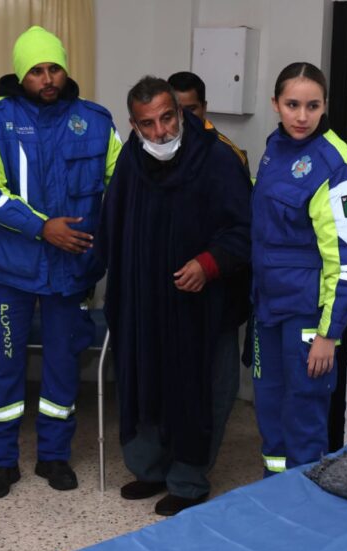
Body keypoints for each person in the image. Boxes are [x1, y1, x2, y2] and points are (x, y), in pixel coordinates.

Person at [0, 26, 122, 498]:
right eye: (36, 71)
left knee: (62, 366)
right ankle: (0, 462)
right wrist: (41, 226)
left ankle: (54, 456)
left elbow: (121, 185)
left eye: (54, 68)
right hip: (10, 270)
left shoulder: (96, 121)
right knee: (3, 365)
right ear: (20, 75)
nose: (48, 78)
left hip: (71, 270)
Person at [101, 76, 251, 515]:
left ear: (181, 113)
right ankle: (149, 469)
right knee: (143, 381)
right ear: (133, 125)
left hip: (200, 306)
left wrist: (209, 263)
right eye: (148, 124)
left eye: (168, 118)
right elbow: (112, 225)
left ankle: (188, 480)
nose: (161, 131)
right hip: (144, 302)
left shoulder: (217, 158)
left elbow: (246, 229)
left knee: (200, 390)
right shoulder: (130, 160)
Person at [251, 62, 347, 476]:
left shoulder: (337, 166)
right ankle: (273, 494)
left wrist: (328, 334)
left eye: (313, 106)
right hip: (268, 308)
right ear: (275, 104)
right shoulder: (275, 148)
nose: (302, 116)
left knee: (303, 418)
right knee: (270, 411)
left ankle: (302, 504)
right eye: (292, 105)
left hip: (308, 316)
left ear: (325, 106)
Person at [167, 71, 248, 168]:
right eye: (177, 109)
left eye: (191, 109)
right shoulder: (159, 144)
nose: (184, 116)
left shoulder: (227, 154)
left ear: (204, 107)